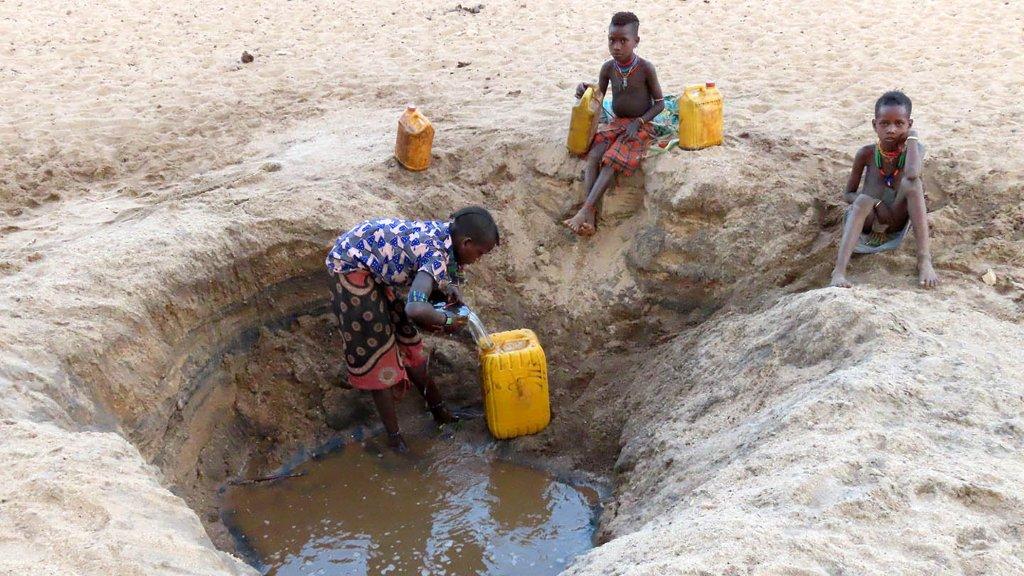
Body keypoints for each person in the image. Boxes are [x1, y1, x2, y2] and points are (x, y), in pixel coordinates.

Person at [325, 206, 500, 451]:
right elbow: (415, 308)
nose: (478, 259)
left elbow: (429, 277)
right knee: (377, 352)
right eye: (480, 253)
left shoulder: (446, 236)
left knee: (408, 340)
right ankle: (396, 441)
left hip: (372, 262)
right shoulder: (436, 254)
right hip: (350, 266)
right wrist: (447, 321)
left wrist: (448, 288)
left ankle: (440, 413)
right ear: (466, 243)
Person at [564, 11, 665, 237]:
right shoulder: (608, 68)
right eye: (612, 40)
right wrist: (584, 91)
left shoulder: (646, 68)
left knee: (612, 160)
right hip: (617, 123)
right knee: (594, 156)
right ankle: (589, 218)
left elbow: (660, 104)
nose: (616, 46)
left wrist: (638, 122)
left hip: (639, 125)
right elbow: (598, 96)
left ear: (636, 41)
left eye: (623, 41)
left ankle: (585, 210)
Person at [830, 90, 939, 288]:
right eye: (884, 123)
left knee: (913, 184)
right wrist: (876, 202)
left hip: (896, 218)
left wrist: (912, 139)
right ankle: (839, 271)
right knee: (863, 199)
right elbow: (848, 194)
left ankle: (924, 260)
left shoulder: (914, 149)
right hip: (870, 219)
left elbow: (912, 174)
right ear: (875, 125)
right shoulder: (866, 154)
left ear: (909, 124)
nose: (891, 130)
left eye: (899, 124)